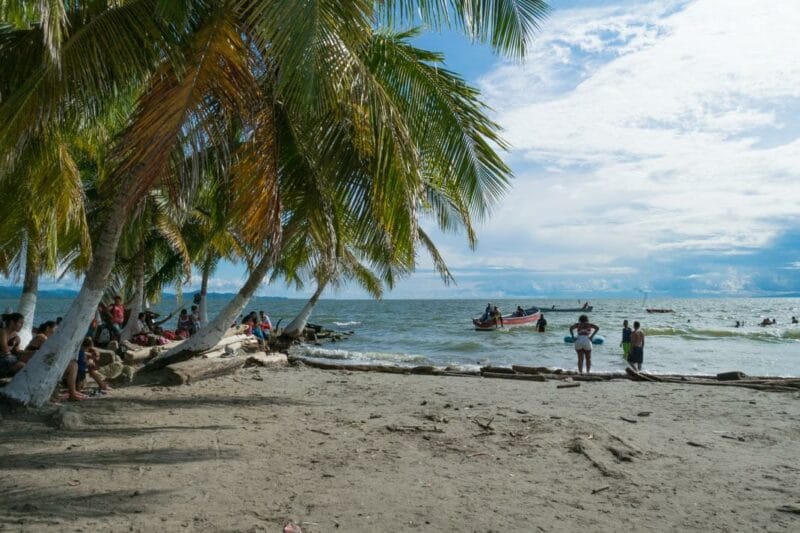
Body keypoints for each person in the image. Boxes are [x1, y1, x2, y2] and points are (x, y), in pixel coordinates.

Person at [0, 313, 29, 377]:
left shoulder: (15, 335)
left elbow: (17, 351)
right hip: (3, 359)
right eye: (20, 323)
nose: (22, 326)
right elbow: (6, 351)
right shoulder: (2, 332)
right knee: (22, 366)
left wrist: (30, 352)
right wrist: (14, 341)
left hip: (6, 359)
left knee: (29, 359)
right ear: (12, 322)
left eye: (23, 323)